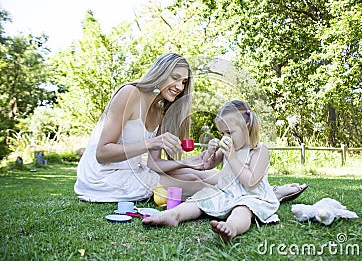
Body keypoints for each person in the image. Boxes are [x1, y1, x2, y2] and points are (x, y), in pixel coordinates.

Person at [74, 52, 307, 203]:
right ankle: (267, 196)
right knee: (196, 183)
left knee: (197, 172)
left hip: (132, 170)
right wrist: (151, 142)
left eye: (183, 82)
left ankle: (263, 187)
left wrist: (188, 161)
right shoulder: (130, 94)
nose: (179, 86)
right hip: (103, 177)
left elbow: (154, 163)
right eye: (174, 78)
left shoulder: (161, 109)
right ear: (160, 73)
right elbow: (103, 153)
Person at [142, 100, 281, 242]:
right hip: (226, 193)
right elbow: (207, 165)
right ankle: (174, 215)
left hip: (250, 197)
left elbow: (250, 183)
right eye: (222, 133)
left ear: (247, 127)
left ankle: (231, 228)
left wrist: (232, 158)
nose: (225, 137)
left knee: (242, 209)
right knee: (202, 196)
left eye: (229, 132)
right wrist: (210, 152)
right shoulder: (226, 148)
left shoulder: (258, 151)